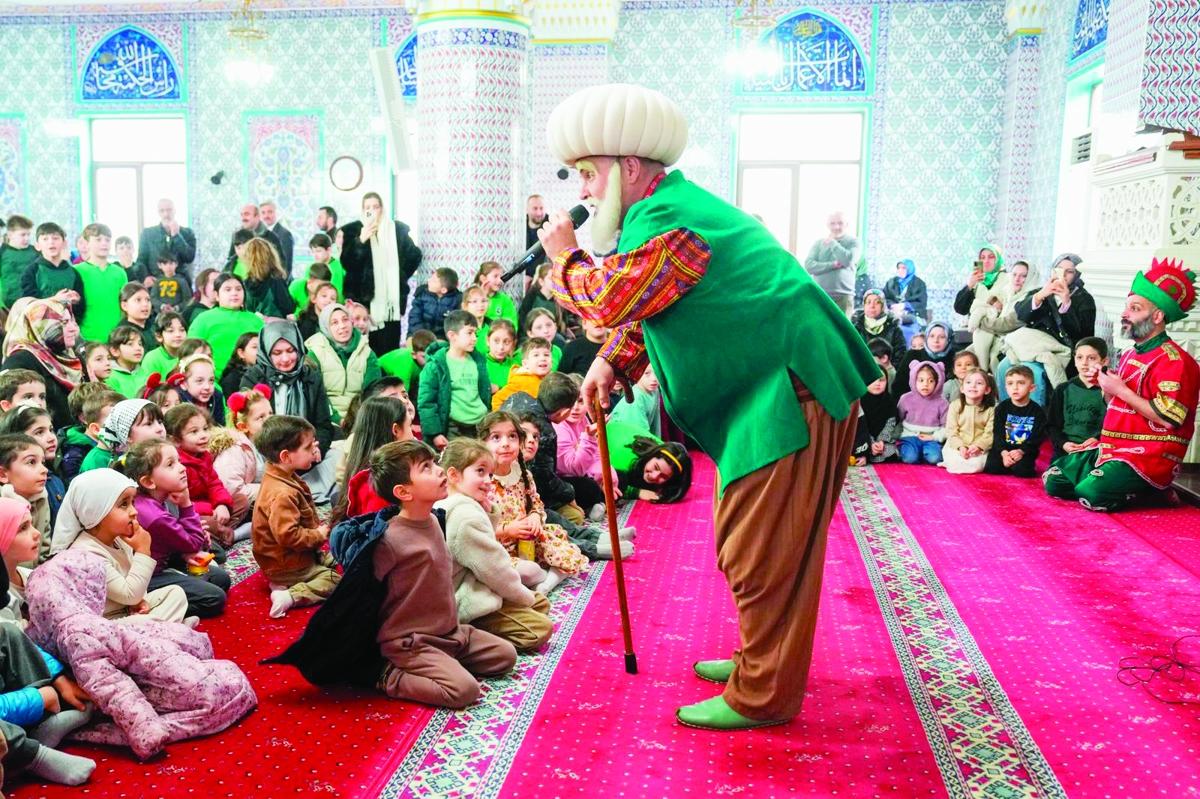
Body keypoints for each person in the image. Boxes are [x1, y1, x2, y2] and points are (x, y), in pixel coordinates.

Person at [539, 83, 876, 730]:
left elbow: (608, 300)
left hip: (791, 386)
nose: (583, 191)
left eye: (588, 173)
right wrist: (613, 361)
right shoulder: (664, 212)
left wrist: (563, 257)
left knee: (762, 548)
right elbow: (660, 304)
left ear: (629, 167)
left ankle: (762, 693)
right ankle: (760, 659)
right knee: (757, 541)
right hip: (778, 385)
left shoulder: (671, 221)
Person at [365, 439, 517, 708]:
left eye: (434, 462)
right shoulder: (390, 540)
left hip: (449, 632)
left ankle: (444, 661)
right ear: (403, 492)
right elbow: (366, 593)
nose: (439, 470)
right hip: (412, 642)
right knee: (464, 691)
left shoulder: (434, 520)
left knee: (506, 656)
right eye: (426, 467)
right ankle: (388, 676)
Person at [1044, 259, 1200, 511]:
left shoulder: (1176, 361)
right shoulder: (1129, 354)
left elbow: (1169, 419)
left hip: (1149, 455)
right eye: (1127, 307)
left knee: (1090, 493)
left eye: (1135, 308)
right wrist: (1106, 388)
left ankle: (1154, 490)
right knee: (1054, 480)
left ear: (1157, 316)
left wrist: (1120, 390)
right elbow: (1115, 403)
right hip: (1112, 448)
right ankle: (1133, 488)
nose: (1125, 314)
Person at [439, 438, 552, 652]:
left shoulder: (456, 503)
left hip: (475, 585)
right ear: (453, 475)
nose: (488, 481)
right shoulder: (466, 516)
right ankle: (468, 634)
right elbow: (495, 571)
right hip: (467, 600)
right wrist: (523, 597)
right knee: (540, 629)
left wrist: (488, 510)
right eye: (480, 472)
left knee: (540, 603)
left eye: (490, 474)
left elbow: (485, 547)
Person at [51, 468, 190, 624]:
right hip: (106, 623)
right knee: (143, 621)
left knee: (176, 594)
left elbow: (136, 588)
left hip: (126, 612)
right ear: (97, 512)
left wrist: (140, 603)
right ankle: (167, 628)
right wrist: (143, 551)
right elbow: (129, 594)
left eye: (132, 502)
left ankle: (162, 628)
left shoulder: (120, 540)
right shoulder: (87, 554)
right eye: (124, 504)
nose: (134, 511)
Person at [478, 411, 588, 595]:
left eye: (512, 436)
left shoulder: (523, 474)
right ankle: (542, 577)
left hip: (526, 541)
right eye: (496, 437)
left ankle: (545, 585)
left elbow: (536, 503)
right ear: (482, 443)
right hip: (497, 548)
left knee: (567, 551)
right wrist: (507, 529)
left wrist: (536, 516)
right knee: (527, 571)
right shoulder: (481, 482)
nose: (505, 443)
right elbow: (476, 527)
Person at [124, 439, 230, 618]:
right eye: (170, 464)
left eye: (178, 461)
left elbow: (190, 541)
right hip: (149, 577)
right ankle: (155, 612)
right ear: (149, 481)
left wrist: (194, 538)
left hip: (168, 558)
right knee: (215, 598)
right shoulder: (154, 516)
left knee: (221, 578)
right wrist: (186, 504)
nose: (182, 468)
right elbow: (194, 544)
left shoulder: (159, 495)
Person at [252, 415, 339, 618]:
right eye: (308, 447)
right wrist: (318, 535)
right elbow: (288, 536)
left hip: (292, 556)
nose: (314, 449)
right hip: (286, 563)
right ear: (285, 456)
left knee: (339, 558)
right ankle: (290, 595)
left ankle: (284, 583)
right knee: (334, 579)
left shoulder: (282, 474)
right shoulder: (282, 493)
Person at [339, 191, 423, 352]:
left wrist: (400, 275)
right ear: (363, 210)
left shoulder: (397, 230)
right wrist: (360, 241)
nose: (371, 211)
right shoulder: (353, 230)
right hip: (364, 303)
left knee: (389, 348)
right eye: (367, 208)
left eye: (375, 207)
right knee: (362, 349)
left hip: (391, 304)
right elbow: (347, 263)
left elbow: (414, 255)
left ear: (382, 208)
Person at [240, 321, 337, 453]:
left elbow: (323, 426)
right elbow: (248, 424)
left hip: (304, 452)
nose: (285, 359)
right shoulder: (254, 378)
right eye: (277, 353)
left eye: (290, 351)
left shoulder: (311, 378)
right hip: (264, 452)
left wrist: (316, 449)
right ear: (266, 354)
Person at [1008, 253, 1096, 390]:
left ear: (1077, 274)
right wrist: (1040, 296)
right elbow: (1021, 315)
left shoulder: (1084, 299)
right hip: (1034, 347)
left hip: (1061, 351)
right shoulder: (1042, 291)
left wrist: (1066, 303)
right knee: (1004, 366)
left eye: (1069, 271)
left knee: (1034, 373)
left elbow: (1083, 334)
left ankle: (1035, 405)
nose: (1063, 275)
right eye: (1059, 270)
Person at [1, 299, 80, 430]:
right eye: (64, 323)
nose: (73, 328)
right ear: (41, 326)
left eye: (72, 321)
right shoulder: (20, 360)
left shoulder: (71, 356)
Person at [416, 310, 490, 448]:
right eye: (469, 333)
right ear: (452, 335)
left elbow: (483, 393)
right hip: (453, 429)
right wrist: (435, 433)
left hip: (481, 426)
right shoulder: (435, 365)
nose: (474, 338)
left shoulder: (478, 360)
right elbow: (426, 403)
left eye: (476, 333)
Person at [165, 404, 235, 546]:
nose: (203, 435)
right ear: (176, 440)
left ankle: (223, 532)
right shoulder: (176, 464)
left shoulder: (204, 456)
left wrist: (221, 504)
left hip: (211, 506)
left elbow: (214, 484)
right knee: (207, 522)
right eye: (194, 432)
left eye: (205, 429)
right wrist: (211, 509)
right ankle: (227, 534)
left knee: (241, 500)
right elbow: (179, 503)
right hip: (191, 512)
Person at [305, 303, 382, 420]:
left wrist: (359, 420)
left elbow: (372, 392)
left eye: (345, 320)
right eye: (334, 323)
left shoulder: (367, 353)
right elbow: (315, 395)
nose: (342, 326)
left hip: (360, 417)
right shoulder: (315, 353)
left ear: (351, 322)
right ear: (326, 327)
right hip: (326, 418)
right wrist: (336, 419)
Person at [211, 385, 272, 529]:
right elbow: (233, 489)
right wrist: (271, 488)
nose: (269, 420)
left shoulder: (266, 441)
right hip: (235, 505)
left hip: (256, 498)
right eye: (261, 417)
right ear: (243, 426)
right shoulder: (234, 449)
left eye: (270, 413)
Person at [187, 273, 265, 374]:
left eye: (238, 289)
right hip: (211, 379)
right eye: (228, 290)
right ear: (216, 295)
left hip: (251, 377)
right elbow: (190, 351)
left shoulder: (256, 320)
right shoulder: (203, 319)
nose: (234, 293)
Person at [1046, 337, 1108, 460]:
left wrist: (1098, 439)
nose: (1084, 363)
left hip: (1097, 451)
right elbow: (1051, 426)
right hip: (1066, 451)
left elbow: (1116, 425)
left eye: (1091, 358)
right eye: (1079, 357)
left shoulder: (1109, 390)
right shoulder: (1062, 390)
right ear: (1074, 360)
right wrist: (1063, 443)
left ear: (1104, 361)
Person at [984, 365, 1046, 478]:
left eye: (1021, 383)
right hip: (1004, 449)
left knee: (1023, 471)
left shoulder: (1037, 411)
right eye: (1010, 383)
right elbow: (997, 433)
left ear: (1032, 388)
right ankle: (1009, 463)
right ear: (1006, 387)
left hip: (1025, 450)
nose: (1015, 387)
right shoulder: (1001, 408)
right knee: (992, 467)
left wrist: (1021, 451)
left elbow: (1037, 437)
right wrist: (1004, 453)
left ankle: (1015, 466)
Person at [74, 223, 127, 344]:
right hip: (87, 338)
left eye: (107, 240)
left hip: (116, 338)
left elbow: (125, 305)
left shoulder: (119, 272)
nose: (104, 243)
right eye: (98, 240)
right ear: (87, 243)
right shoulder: (77, 271)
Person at [20, 223, 85, 321]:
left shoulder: (73, 273)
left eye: (55, 238)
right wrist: (55, 300)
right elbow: (29, 304)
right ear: (37, 246)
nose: (51, 242)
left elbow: (81, 307)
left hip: (68, 325)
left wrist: (76, 301)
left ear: (64, 243)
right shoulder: (32, 271)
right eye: (45, 239)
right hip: (40, 326)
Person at [803, 212, 860, 314]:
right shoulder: (818, 243)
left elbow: (848, 261)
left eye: (840, 223)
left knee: (841, 325)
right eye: (832, 223)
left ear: (847, 224)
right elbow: (808, 266)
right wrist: (833, 265)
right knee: (819, 324)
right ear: (827, 225)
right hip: (820, 295)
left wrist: (833, 243)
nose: (836, 227)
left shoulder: (854, 242)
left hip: (843, 297)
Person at [940, 368, 995, 474]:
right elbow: (951, 431)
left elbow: (989, 434)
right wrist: (960, 447)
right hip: (957, 445)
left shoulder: (990, 410)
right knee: (955, 461)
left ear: (987, 390)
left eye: (979, 383)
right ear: (962, 388)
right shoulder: (955, 405)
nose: (973, 386)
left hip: (978, 447)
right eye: (968, 382)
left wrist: (978, 446)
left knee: (977, 465)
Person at [896, 361, 948, 465]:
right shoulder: (905, 399)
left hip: (931, 438)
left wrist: (934, 437)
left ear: (938, 382)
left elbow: (946, 426)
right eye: (921, 380)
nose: (925, 384)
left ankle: (925, 453)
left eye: (931, 381)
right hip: (909, 436)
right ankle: (911, 451)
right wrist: (896, 437)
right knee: (909, 459)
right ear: (914, 380)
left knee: (934, 458)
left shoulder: (943, 403)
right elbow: (898, 419)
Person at [135, 198, 196, 281]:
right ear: (158, 213)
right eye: (162, 211)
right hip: (155, 281)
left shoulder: (187, 233)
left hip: (180, 281)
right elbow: (141, 261)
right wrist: (145, 277)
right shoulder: (148, 234)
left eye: (169, 210)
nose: (166, 214)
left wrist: (176, 236)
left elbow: (189, 258)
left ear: (175, 211)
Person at [892, 321, 955, 401]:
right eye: (932, 336)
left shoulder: (954, 358)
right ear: (926, 338)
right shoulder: (912, 355)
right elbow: (898, 386)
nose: (936, 340)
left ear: (949, 340)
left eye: (942, 337)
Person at [491, 337, 553, 411]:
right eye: (536, 355)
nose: (543, 358)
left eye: (546, 355)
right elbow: (497, 399)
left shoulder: (553, 379)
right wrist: (505, 417)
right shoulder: (521, 380)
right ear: (525, 363)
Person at [241, 238, 295, 319]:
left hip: (252, 325)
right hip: (274, 324)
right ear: (271, 256)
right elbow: (287, 308)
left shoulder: (244, 284)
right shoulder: (276, 281)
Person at [851, 375, 899, 465]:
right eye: (872, 380)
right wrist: (871, 443)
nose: (877, 383)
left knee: (893, 451)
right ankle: (865, 455)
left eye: (882, 380)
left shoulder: (890, 401)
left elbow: (891, 424)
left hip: (884, 442)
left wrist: (881, 441)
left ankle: (869, 456)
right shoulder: (858, 402)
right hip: (862, 441)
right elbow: (860, 428)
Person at [952, 244, 1009, 318]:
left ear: (999, 259)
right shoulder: (976, 281)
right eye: (982, 257)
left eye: (991, 257)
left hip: (998, 323)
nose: (986, 261)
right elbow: (960, 310)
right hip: (976, 324)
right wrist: (970, 286)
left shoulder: (1008, 279)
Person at [224, 204, 283, 271]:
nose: (243, 218)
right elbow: (231, 258)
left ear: (257, 216)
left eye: (246, 214)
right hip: (240, 275)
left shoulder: (270, 237)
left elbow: (281, 264)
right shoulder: (237, 235)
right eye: (242, 215)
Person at [408, 268, 463, 339]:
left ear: (443, 290)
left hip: (442, 338)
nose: (428, 281)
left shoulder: (457, 300)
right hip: (418, 334)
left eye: (433, 281)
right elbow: (414, 317)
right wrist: (421, 335)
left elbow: (455, 324)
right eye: (431, 278)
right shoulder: (422, 295)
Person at [851, 289, 906, 359]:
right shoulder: (855, 326)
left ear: (883, 306)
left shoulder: (893, 327)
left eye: (877, 302)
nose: (872, 306)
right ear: (864, 305)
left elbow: (900, 355)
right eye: (868, 302)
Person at [0, 214, 37, 309]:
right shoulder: (2, 252)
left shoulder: (35, 252)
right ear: (10, 234)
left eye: (28, 234)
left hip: (33, 303)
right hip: (9, 304)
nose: (27, 238)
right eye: (23, 235)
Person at [103, 324, 146, 398]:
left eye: (140, 344)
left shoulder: (144, 372)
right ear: (115, 351)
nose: (138, 348)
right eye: (130, 344)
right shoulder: (109, 376)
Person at [474, 261, 518, 325]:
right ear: (483, 278)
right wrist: (483, 296)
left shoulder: (505, 300)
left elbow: (512, 324)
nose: (500, 280)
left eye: (500, 277)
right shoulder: (471, 298)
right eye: (495, 276)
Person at [259, 201, 294, 277]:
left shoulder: (284, 234)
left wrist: (282, 282)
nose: (266, 216)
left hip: (279, 280)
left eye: (270, 212)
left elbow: (287, 264)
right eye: (263, 213)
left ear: (276, 213)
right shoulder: (258, 234)